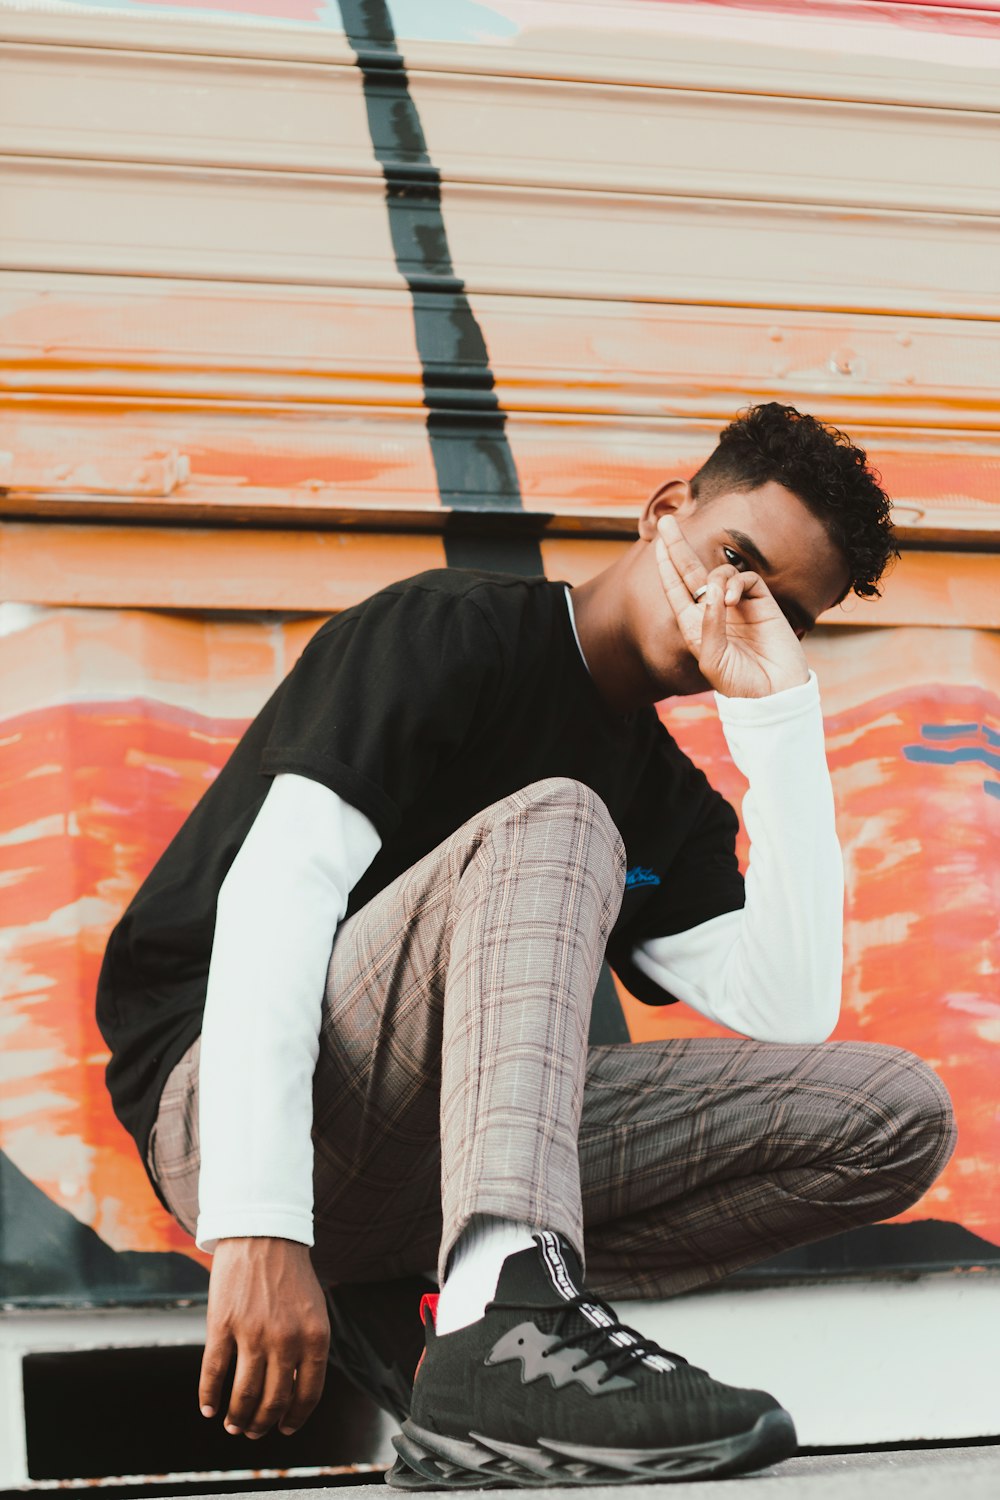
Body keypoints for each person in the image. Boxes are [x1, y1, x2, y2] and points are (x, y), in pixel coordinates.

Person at [97, 403, 955, 1486]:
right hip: (223, 1111)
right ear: (664, 515)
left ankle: (469, 1308)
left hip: (433, 1158)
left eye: (782, 609)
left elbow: (787, 1008)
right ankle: (506, 1328)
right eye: (734, 559)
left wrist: (778, 720)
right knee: (560, 815)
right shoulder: (452, 632)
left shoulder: (667, 795)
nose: (736, 607)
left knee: (893, 1115)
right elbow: (278, 892)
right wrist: (258, 1226)